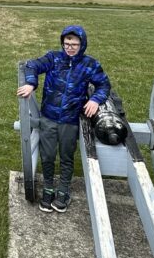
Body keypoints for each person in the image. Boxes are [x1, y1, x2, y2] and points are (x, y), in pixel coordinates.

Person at [16, 25, 111, 213]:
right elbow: (31, 65)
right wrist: (31, 83)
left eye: (74, 44)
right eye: (67, 43)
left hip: (70, 119)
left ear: (82, 45)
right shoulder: (53, 58)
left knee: (67, 156)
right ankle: (49, 188)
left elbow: (104, 85)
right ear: (62, 43)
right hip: (49, 117)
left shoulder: (90, 65)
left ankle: (64, 190)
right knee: (48, 155)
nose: (70, 47)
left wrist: (94, 99)